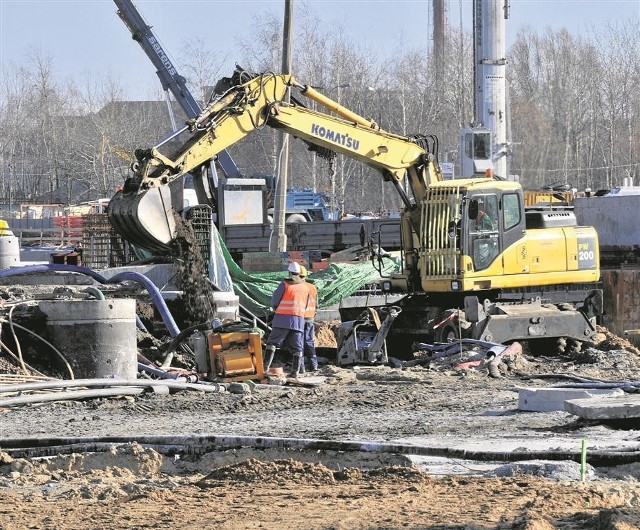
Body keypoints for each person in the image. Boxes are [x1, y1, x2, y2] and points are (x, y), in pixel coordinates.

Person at [263, 261, 310, 379]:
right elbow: (306, 304)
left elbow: (275, 301)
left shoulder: (284, 284)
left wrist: (276, 309)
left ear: (289, 272)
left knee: (272, 343)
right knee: (297, 348)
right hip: (298, 321)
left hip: (282, 319)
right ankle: (295, 372)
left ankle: (265, 368)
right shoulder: (305, 287)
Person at [299, 266, 319, 373]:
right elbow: (316, 304)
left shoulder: (298, 287)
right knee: (309, 342)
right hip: (310, 317)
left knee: (299, 343)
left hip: (300, 318)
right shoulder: (312, 287)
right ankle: (314, 365)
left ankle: (301, 367)